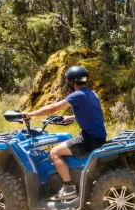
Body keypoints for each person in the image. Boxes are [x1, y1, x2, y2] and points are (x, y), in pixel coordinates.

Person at [23, 65, 107, 202]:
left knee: (54, 152)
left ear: (71, 82)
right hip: (98, 136)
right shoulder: (92, 94)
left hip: (89, 138)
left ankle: (68, 188)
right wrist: (71, 118)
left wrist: (30, 114)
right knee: (65, 144)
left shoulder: (77, 95)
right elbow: (93, 114)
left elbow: (53, 107)